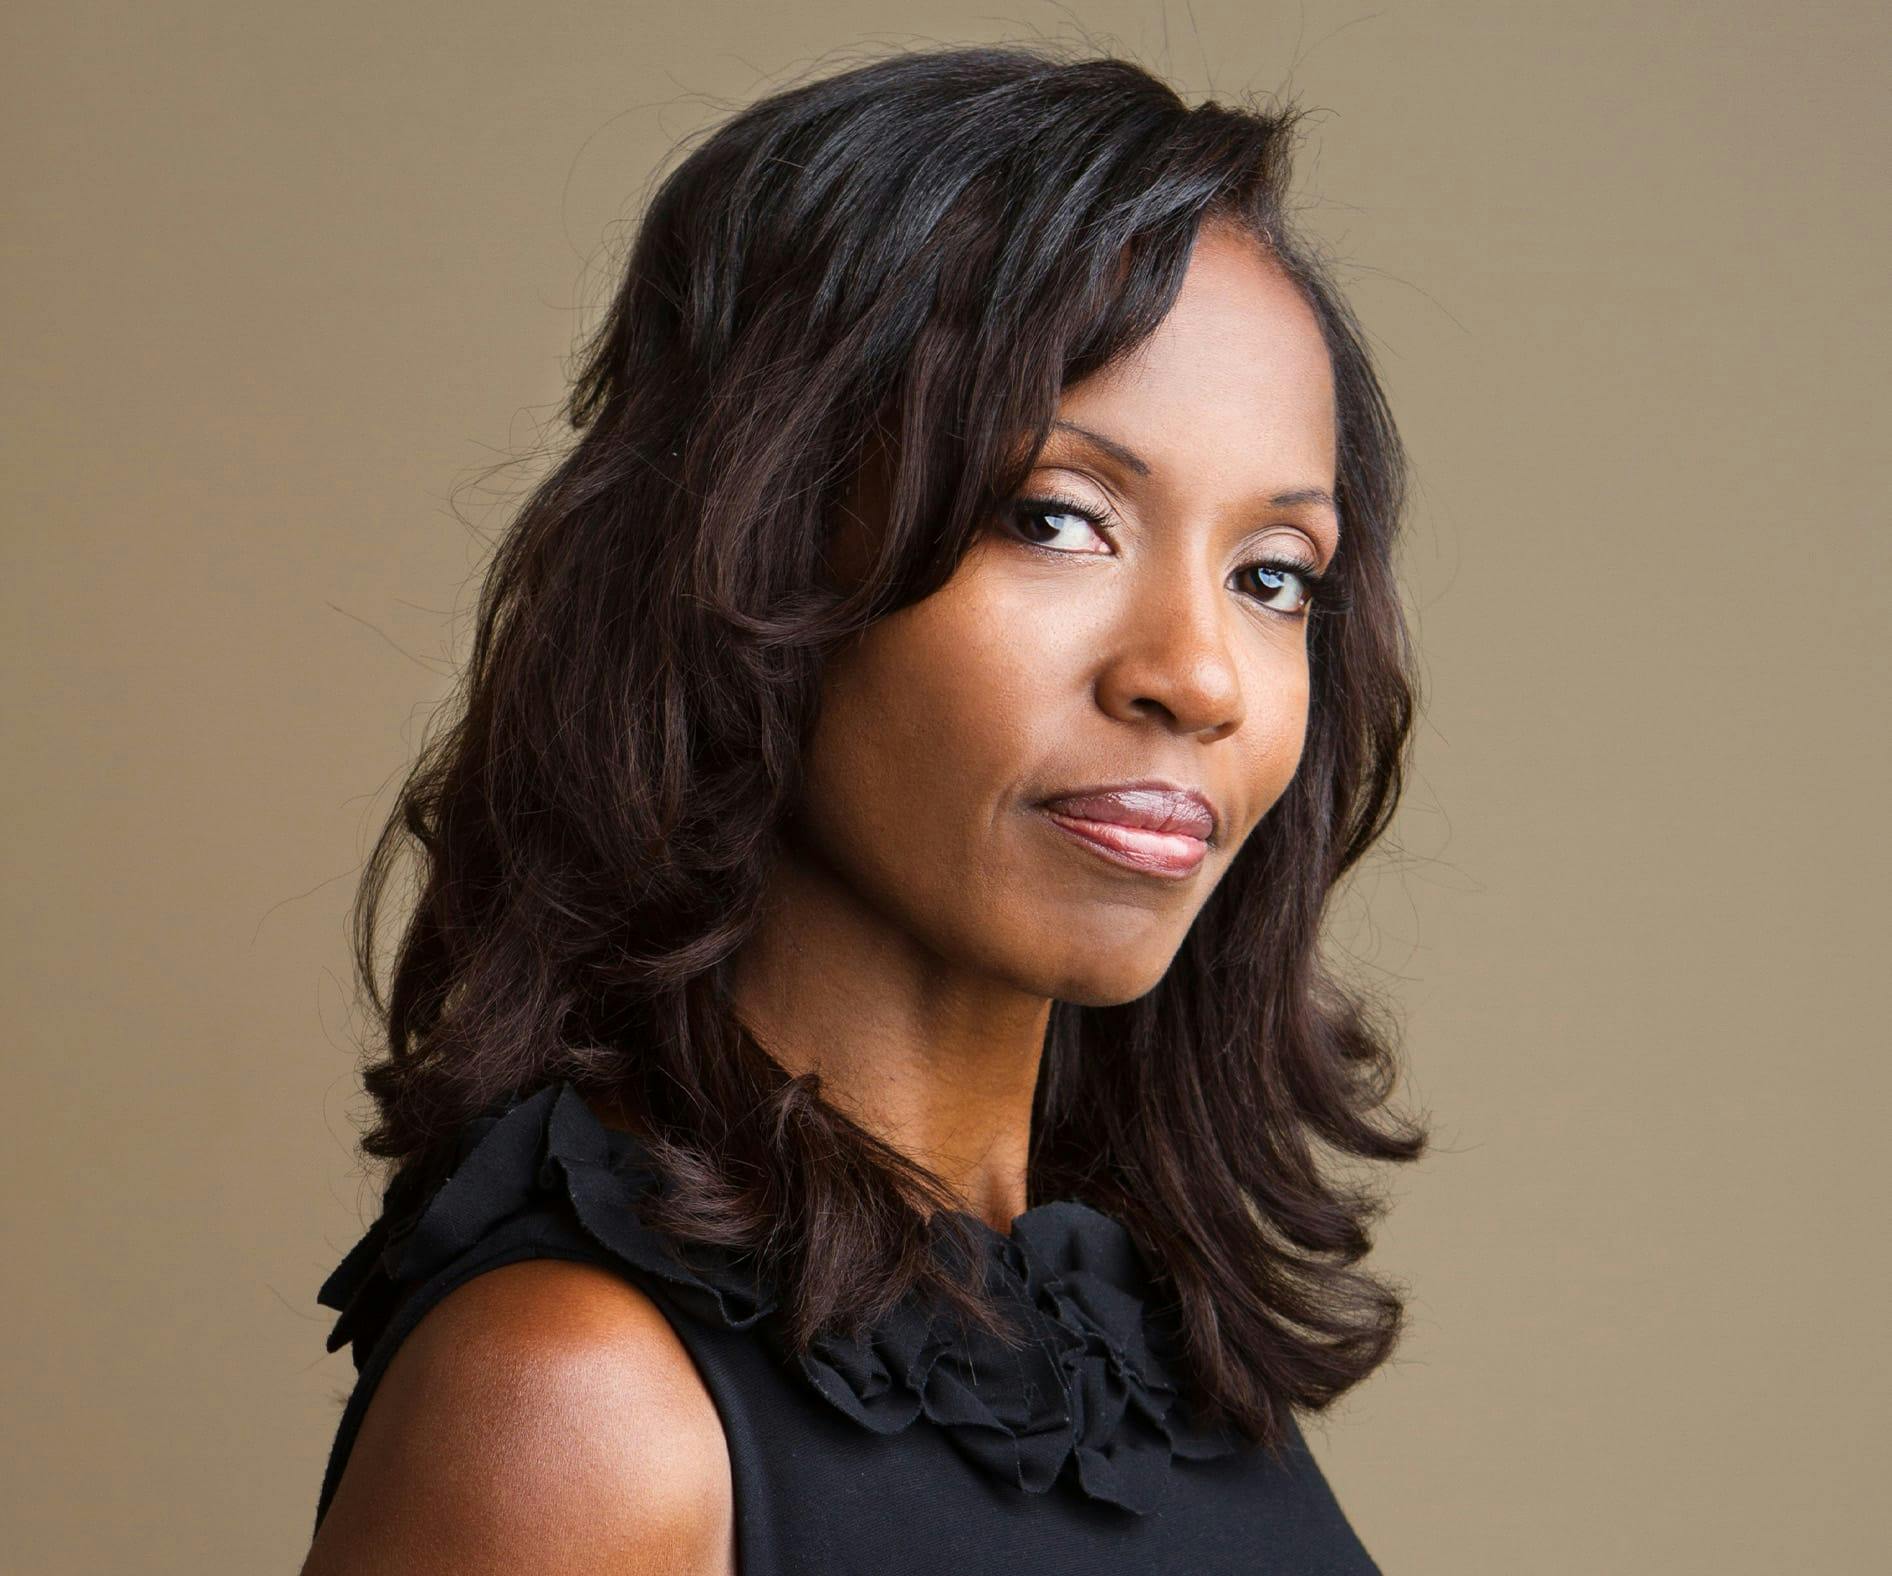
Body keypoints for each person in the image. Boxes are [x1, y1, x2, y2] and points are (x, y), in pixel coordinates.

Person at [300, 42, 1428, 1576]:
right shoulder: (583, 1408)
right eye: (1056, 518)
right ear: (757, 548)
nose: (1200, 675)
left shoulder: (1142, 1345)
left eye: (1273, 574)